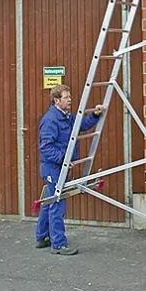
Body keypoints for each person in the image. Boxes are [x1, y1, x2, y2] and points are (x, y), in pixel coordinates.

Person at [35, 84, 104, 255]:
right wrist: (63, 158)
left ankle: (42, 237)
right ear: (56, 101)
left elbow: (81, 125)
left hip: (60, 166)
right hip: (53, 168)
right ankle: (58, 244)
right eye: (66, 97)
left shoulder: (66, 117)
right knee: (57, 202)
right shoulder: (51, 120)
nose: (70, 100)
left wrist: (95, 115)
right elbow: (46, 147)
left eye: (70, 96)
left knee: (50, 200)